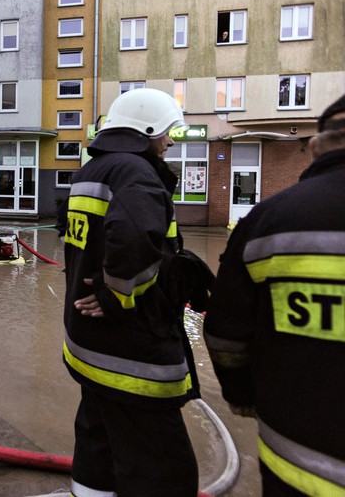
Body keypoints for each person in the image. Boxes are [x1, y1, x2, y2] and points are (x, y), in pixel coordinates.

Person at [57, 88, 207, 496]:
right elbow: (134, 236)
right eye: (167, 132)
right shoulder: (137, 173)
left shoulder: (91, 171)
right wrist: (116, 296)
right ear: (147, 129)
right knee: (164, 466)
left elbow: (78, 238)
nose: (171, 141)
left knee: (98, 439)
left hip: (88, 344)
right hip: (131, 352)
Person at [203, 93, 345, 496]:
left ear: (315, 148)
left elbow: (224, 330)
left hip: (297, 460)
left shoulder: (268, 219)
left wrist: (240, 392)